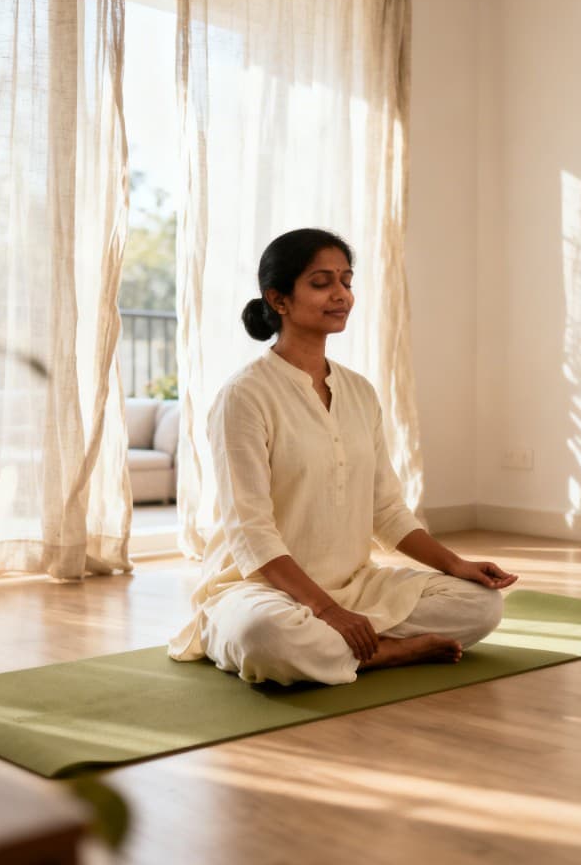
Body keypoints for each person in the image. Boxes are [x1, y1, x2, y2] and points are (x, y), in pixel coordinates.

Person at [168, 228, 518, 685]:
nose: (341, 295)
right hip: (259, 589)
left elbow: (387, 510)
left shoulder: (359, 391)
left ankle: (344, 647)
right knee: (267, 638)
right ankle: (381, 652)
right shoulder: (245, 396)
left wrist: (457, 565)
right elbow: (250, 533)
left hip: (354, 584)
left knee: (482, 604)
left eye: (347, 281)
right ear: (279, 299)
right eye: (321, 283)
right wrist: (326, 610)